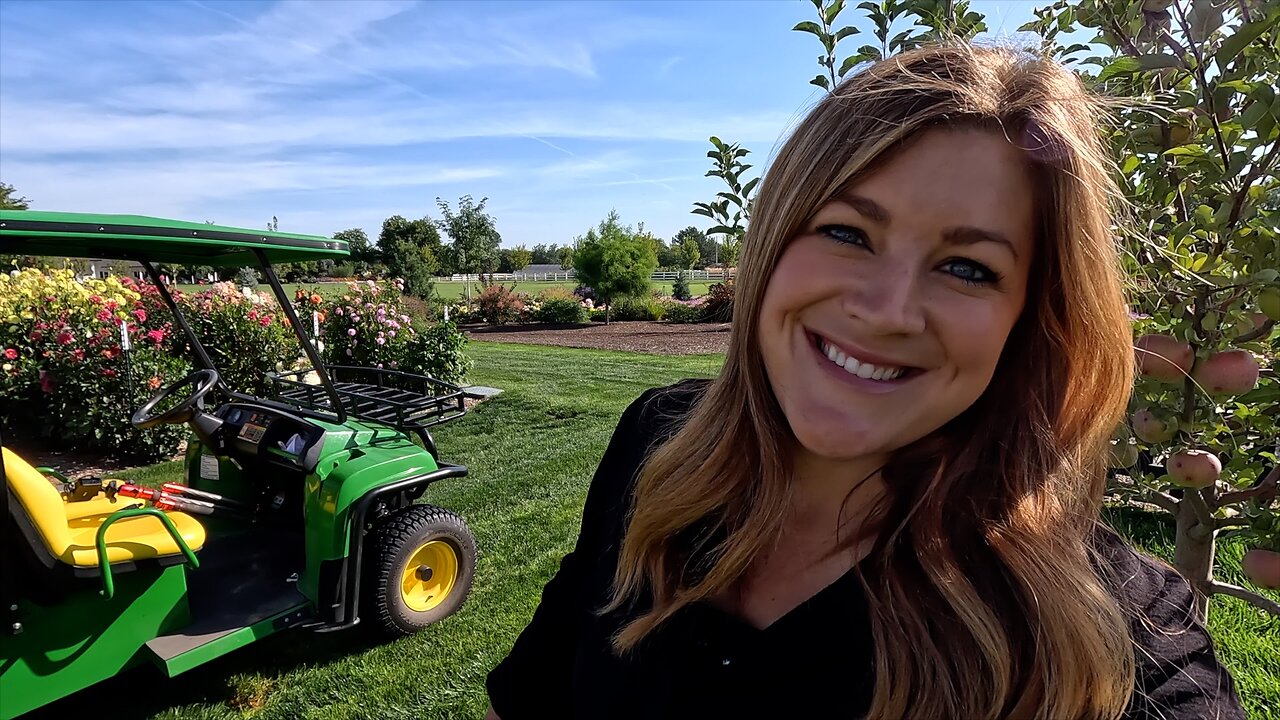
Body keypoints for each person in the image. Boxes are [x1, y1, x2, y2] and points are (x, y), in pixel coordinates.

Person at [484, 42, 1246, 720]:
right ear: (774, 242)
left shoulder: (1109, 631)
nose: (886, 311)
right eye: (848, 232)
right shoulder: (658, 444)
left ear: (1030, 318)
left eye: (967, 268)